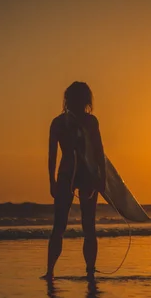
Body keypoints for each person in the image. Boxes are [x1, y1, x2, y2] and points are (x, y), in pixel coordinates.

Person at [43, 82, 106, 280]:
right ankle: (51, 271)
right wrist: (52, 181)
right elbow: (52, 154)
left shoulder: (90, 122)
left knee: (88, 226)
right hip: (68, 175)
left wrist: (102, 177)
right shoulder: (59, 123)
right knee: (60, 226)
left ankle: (88, 272)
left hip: (84, 175)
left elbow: (98, 151)